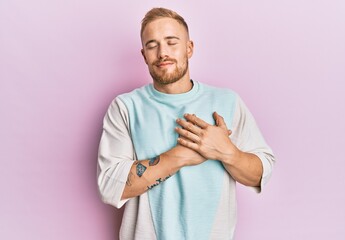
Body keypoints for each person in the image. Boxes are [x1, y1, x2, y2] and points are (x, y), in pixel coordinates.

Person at [97, 7, 275, 240]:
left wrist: (227, 152)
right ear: (144, 55)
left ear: (189, 48)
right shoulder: (125, 107)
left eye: (172, 42)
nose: (162, 53)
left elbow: (261, 173)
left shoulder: (227, 101)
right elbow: (110, 186)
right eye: (152, 45)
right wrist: (182, 155)